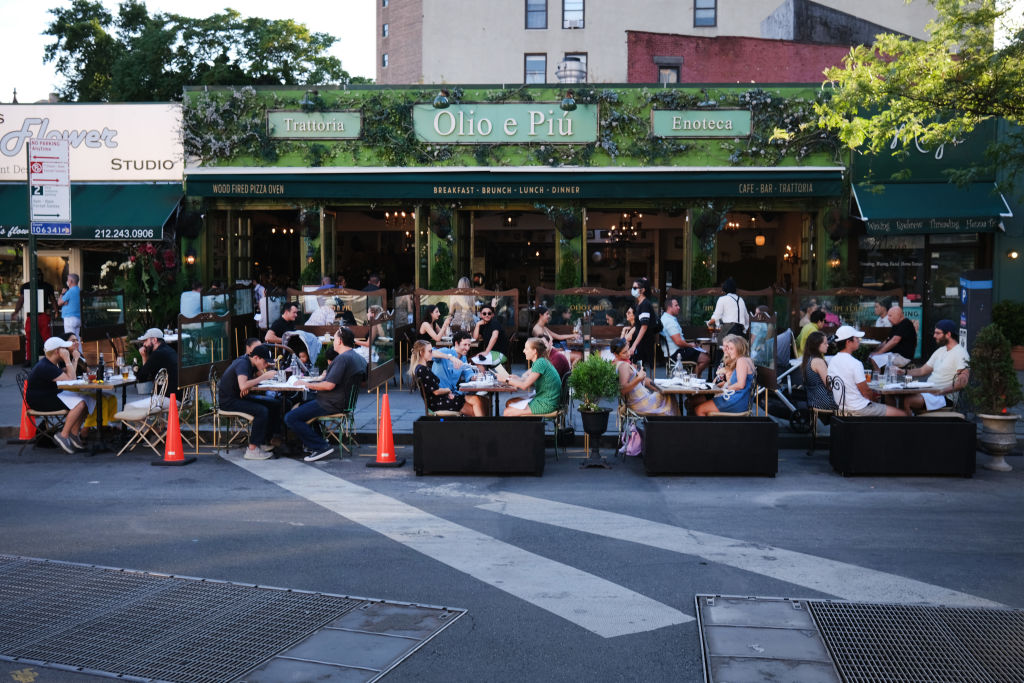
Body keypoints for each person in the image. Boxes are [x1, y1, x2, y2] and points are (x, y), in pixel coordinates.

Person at [287, 327, 368, 462]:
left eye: (335, 338)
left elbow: (329, 385)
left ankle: (320, 446)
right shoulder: (359, 358)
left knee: (291, 417)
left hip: (330, 403)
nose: (333, 341)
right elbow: (362, 382)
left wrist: (306, 384)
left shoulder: (342, 359)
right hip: (344, 402)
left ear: (340, 341)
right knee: (300, 405)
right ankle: (315, 441)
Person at [25, 337, 94, 453]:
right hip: (40, 400)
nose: (66, 349)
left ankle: (74, 434)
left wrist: (72, 361)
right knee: (80, 404)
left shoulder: (52, 363)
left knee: (87, 399)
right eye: (63, 348)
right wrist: (67, 358)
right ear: (57, 351)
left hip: (49, 395)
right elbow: (71, 380)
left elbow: (70, 376)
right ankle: (63, 434)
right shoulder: (46, 366)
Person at [217, 344, 282, 460]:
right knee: (262, 411)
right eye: (265, 362)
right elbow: (243, 385)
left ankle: (265, 441)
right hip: (229, 401)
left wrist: (248, 385)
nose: (266, 365)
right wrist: (263, 377)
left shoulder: (251, 362)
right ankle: (252, 449)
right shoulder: (243, 363)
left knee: (274, 403)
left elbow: (245, 384)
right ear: (256, 358)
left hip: (238, 396)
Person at [895, 319, 970, 414]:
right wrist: (904, 372)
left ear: (948, 334)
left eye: (938, 333)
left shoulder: (960, 353)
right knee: (898, 396)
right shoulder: (941, 350)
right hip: (930, 392)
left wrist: (941, 391)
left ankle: (908, 427)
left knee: (907, 400)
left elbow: (962, 381)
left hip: (944, 397)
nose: (934, 336)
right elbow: (923, 370)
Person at [829, 325, 906, 416]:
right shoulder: (855, 363)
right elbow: (866, 392)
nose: (859, 340)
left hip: (841, 407)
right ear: (848, 342)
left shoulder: (832, 361)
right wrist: (874, 400)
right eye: (857, 338)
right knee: (903, 414)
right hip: (858, 408)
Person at [611, 338, 678, 416]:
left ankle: (670, 422)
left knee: (666, 393)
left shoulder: (618, 363)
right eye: (624, 352)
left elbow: (642, 380)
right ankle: (674, 423)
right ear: (616, 354)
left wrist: (657, 387)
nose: (628, 353)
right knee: (669, 395)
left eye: (628, 350)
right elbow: (623, 390)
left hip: (639, 401)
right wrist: (639, 378)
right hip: (641, 404)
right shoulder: (623, 366)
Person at [693, 334, 756, 416]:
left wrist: (724, 389)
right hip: (741, 400)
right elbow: (739, 382)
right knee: (694, 403)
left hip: (736, 400)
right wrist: (724, 385)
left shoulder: (741, 360)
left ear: (739, 348)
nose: (728, 351)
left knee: (699, 409)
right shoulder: (747, 360)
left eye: (731, 349)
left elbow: (740, 385)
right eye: (728, 348)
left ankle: (708, 429)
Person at [409, 340, 475, 416]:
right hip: (439, 404)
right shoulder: (422, 369)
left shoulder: (421, 368)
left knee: (477, 401)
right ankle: (482, 425)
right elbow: (436, 391)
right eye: (430, 351)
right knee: (474, 405)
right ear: (421, 352)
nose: (432, 353)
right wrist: (448, 390)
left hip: (439, 401)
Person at [502, 337, 562, 416]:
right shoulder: (540, 361)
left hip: (547, 403)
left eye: (526, 349)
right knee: (509, 402)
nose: (523, 351)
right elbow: (529, 380)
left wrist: (506, 379)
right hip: (544, 399)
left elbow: (524, 386)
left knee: (507, 412)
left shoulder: (540, 363)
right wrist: (517, 378)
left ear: (534, 351)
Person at [430, 331, 486, 416]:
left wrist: (474, 377)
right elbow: (430, 352)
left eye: (469, 345)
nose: (467, 348)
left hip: (453, 394)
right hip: (441, 396)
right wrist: (450, 358)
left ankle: (481, 426)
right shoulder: (445, 351)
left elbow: (468, 372)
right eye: (465, 345)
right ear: (456, 343)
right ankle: (483, 427)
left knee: (483, 401)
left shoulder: (463, 358)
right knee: (477, 405)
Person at [13, 270, 58, 365]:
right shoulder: (25, 286)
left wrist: (56, 311)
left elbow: (53, 299)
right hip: (31, 316)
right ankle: (29, 359)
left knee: (47, 338)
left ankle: (50, 358)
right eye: (37, 275)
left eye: (40, 275)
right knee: (29, 338)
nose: (38, 277)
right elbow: (21, 300)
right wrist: (16, 312)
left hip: (43, 315)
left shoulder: (47, 286)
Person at [661, 297, 710, 377]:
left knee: (702, 353)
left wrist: (689, 344)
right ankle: (693, 379)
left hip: (675, 351)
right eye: (676, 305)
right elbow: (678, 342)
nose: (679, 307)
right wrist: (690, 345)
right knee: (705, 359)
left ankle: (693, 376)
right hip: (676, 353)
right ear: (669, 308)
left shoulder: (666, 318)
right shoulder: (669, 321)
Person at [869, 305, 917, 371]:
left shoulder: (905, 323)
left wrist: (879, 352)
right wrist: (876, 350)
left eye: (890, 316)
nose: (888, 318)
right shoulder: (896, 325)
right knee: (872, 356)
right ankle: (881, 377)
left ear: (898, 315)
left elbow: (895, 340)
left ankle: (878, 378)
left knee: (874, 358)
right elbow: (887, 341)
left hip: (902, 357)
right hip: (894, 355)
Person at [801, 331, 838, 413]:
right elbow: (829, 385)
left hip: (814, 400)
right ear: (816, 345)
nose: (828, 345)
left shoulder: (808, 359)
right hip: (825, 402)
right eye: (825, 343)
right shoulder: (818, 361)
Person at [136, 328, 178, 397]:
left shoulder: (157, 354)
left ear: (154, 340)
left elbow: (142, 377)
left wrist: (144, 357)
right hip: (180, 397)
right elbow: (147, 374)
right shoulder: (170, 350)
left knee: (128, 407)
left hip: (168, 399)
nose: (144, 344)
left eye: (146, 340)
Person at [628, 277, 657, 371]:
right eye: (633, 287)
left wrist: (634, 345)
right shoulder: (639, 304)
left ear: (643, 290)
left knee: (640, 369)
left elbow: (644, 327)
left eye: (635, 288)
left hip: (643, 343)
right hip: (640, 342)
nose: (633, 290)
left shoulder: (645, 304)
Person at [58, 273, 82, 339]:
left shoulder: (70, 292)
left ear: (71, 281)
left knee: (70, 339)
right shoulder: (79, 291)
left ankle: (74, 349)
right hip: (78, 318)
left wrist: (62, 294)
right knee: (77, 339)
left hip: (70, 319)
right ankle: (79, 350)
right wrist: (64, 302)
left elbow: (59, 303)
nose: (67, 282)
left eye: (68, 280)